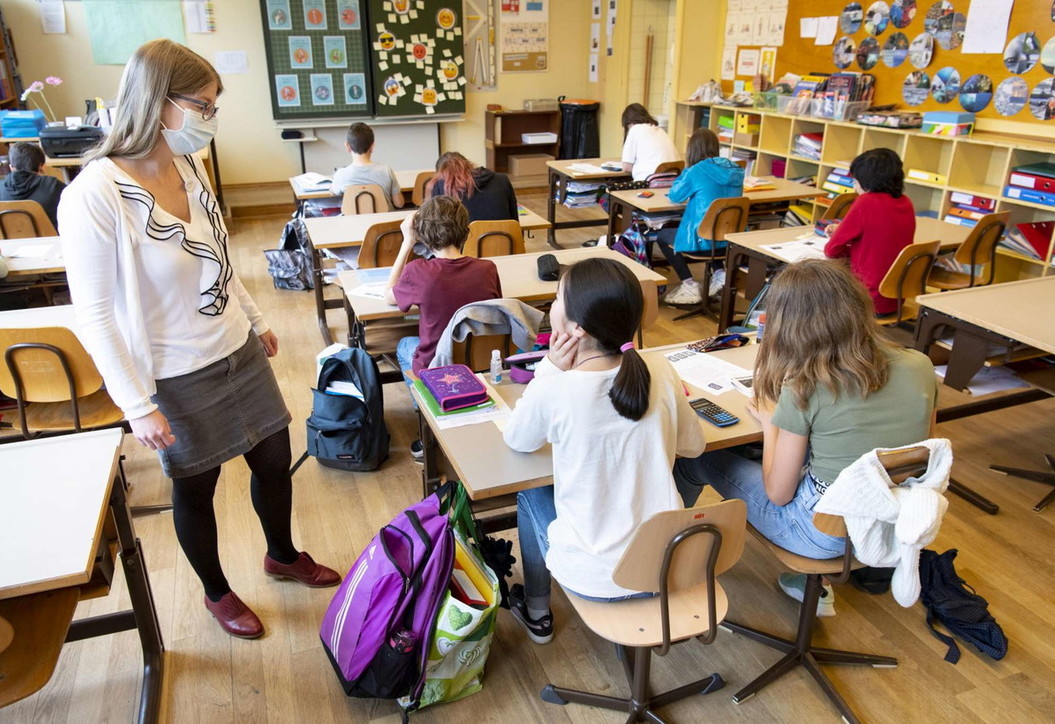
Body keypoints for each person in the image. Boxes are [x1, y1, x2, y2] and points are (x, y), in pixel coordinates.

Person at [58, 39, 339, 640]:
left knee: (272, 461)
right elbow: (96, 315)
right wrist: (137, 405)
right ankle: (217, 592)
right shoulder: (94, 196)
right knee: (197, 484)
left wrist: (257, 319)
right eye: (203, 105)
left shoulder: (188, 166)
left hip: (234, 347)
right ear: (159, 103)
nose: (210, 117)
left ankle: (281, 555)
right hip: (175, 372)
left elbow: (217, 256)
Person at [674, 259, 937, 616]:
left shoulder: (805, 387)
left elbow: (778, 494)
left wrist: (771, 427)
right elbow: (919, 453)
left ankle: (665, 559)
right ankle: (817, 587)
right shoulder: (921, 366)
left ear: (787, 325)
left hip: (822, 535)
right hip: (892, 523)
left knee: (697, 457)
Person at [503, 257, 705, 643]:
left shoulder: (556, 387)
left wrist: (549, 369)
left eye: (558, 296)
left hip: (596, 576)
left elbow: (518, 440)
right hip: (665, 562)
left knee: (530, 493)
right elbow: (694, 447)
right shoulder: (659, 368)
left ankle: (537, 612)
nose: (553, 302)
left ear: (576, 327)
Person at [385, 195, 502, 455]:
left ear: (423, 235)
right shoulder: (488, 269)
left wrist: (407, 242)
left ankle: (428, 418)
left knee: (405, 344)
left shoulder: (418, 271)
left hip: (437, 368)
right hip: (478, 363)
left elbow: (389, 295)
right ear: (467, 232)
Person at [655, 128, 745, 306]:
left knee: (663, 236)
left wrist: (686, 172)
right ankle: (720, 274)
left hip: (702, 241)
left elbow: (675, 195)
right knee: (713, 230)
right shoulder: (736, 169)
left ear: (692, 149)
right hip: (730, 240)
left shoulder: (696, 171)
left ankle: (688, 284)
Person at [824, 148, 916, 316]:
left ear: (866, 181)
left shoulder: (866, 202)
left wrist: (846, 245)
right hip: (895, 297)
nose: (854, 186)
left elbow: (832, 250)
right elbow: (883, 236)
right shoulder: (906, 202)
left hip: (867, 297)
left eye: (855, 181)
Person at [0, 142, 66, 230]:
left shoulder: (0, 188)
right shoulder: (53, 185)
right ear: (42, 166)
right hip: (50, 242)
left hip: (7, 246)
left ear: (11, 167)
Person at [329, 122, 405, 208]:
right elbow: (399, 204)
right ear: (372, 146)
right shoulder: (386, 170)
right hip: (384, 221)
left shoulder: (341, 174)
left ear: (347, 146)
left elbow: (333, 192)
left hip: (353, 221)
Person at [429, 151, 518, 221]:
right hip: (505, 241)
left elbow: (436, 232)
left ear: (440, 174)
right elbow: (515, 221)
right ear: (469, 165)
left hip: (465, 243)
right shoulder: (502, 180)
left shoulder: (439, 186)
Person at [620, 103, 680, 182]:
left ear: (629, 123)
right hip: (673, 181)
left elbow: (626, 167)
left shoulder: (635, 129)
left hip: (650, 182)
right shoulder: (661, 130)